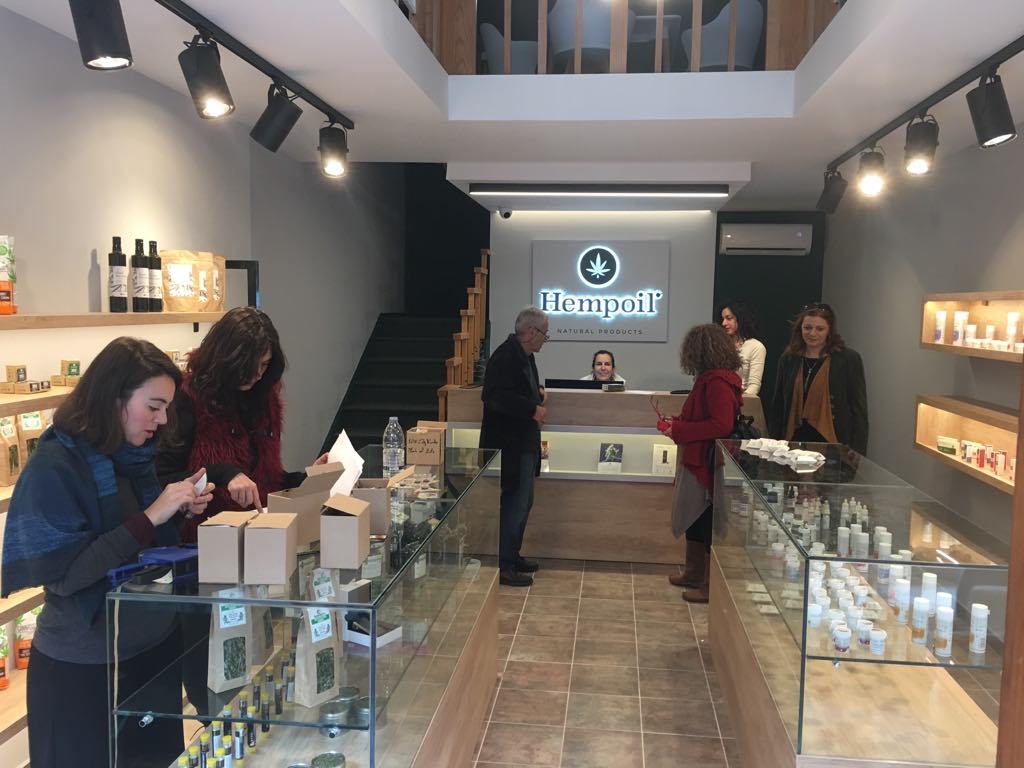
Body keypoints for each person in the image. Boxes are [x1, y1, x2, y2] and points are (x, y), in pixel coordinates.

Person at [1, 337, 214, 768]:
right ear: (114, 397)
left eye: (166, 408)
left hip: (152, 653)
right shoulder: (55, 466)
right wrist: (152, 516)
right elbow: (68, 577)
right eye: (153, 406)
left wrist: (175, 513)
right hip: (84, 668)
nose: (162, 419)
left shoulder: (133, 459)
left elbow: (136, 551)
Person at [157, 307, 327, 542]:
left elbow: (265, 479)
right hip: (208, 539)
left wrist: (308, 479)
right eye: (248, 365)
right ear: (225, 359)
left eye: (264, 365)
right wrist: (223, 474)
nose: (257, 374)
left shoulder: (264, 400)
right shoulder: (187, 400)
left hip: (262, 533)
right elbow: (163, 479)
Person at [659, 324, 742, 603]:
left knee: (704, 517)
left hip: (705, 459)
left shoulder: (716, 382)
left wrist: (680, 429)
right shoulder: (712, 379)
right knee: (696, 515)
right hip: (699, 455)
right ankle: (694, 573)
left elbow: (721, 425)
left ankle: (708, 583)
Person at [480, 305, 549, 587]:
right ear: (531, 332)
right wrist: (532, 409)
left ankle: (513, 555)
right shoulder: (506, 356)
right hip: (511, 445)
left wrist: (537, 395)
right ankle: (505, 565)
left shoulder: (524, 356)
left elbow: (518, 391)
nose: (546, 339)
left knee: (524, 502)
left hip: (524, 443)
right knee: (514, 504)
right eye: (545, 334)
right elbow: (494, 396)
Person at [770, 303, 868, 455]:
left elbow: (858, 409)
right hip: (793, 442)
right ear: (800, 329)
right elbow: (778, 405)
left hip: (834, 445)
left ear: (829, 330)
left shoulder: (848, 359)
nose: (812, 333)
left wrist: (857, 451)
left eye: (820, 329)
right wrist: (774, 444)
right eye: (807, 328)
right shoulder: (789, 358)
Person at [719, 301, 767, 396]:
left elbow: (754, 386)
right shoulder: (721, 345)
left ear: (740, 319)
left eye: (729, 318)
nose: (723, 323)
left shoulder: (756, 346)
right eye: (723, 319)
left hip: (740, 401)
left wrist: (736, 401)